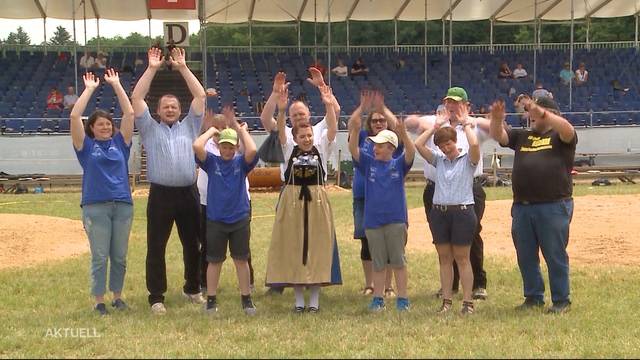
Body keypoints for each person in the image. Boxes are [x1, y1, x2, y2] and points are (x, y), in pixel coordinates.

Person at [131, 46, 207, 315]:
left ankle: (193, 287)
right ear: (158, 110)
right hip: (161, 195)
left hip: (188, 193)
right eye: (166, 106)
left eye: (174, 106)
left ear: (180, 109)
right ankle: (156, 296)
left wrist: (184, 67)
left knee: (193, 244)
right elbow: (136, 97)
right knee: (156, 247)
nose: (171, 109)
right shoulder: (149, 128)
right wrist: (152, 69)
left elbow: (200, 95)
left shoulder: (190, 125)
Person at [489, 95, 577, 314]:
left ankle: (561, 300)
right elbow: (499, 135)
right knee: (525, 255)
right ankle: (533, 296)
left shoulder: (561, 137)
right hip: (522, 206)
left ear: (550, 114)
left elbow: (567, 129)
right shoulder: (522, 136)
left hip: (553, 205)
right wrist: (497, 120)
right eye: (530, 114)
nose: (531, 117)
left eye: (535, 114)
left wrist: (541, 111)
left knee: (554, 254)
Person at [404, 87, 491, 301]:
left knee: (471, 235)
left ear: (466, 105)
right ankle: (450, 286)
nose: (451, 106)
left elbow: (496, 129)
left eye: (457, 102)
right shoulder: (435, 123)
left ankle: (478, 283)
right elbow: (408, 124)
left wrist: (467, 122)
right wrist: (431, 124)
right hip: (436, 189)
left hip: (469, 188)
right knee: (443, 238)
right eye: (448, 102)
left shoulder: (475, 125)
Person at [265, 82, 341, 313]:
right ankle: (298, 301)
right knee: (294, 248)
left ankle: (315, 301)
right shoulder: (287, 146)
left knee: (317, 249)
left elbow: (333, 128)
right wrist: (280, 109)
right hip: (292, 201)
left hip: (317, 201)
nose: (307, 139)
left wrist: (328, 105)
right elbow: (279, 130)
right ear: (295, 137)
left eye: (309, 135)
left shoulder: (322, 145)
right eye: (303, 136)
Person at [70, 70, 135, 316]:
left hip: (122, 206)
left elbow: (129, 114)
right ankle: (99, 301)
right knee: (99, 256)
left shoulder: (120, 144)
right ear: (92, 129)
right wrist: (89, 90)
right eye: (101, 125)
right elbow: (75, 115)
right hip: (95, 207)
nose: (106, 127)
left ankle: (117, 297)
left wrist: (117, 85)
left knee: (119, 256)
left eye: (109, 124)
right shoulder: (85, 147)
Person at [348, 91, 415, 312]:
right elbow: (354, 150)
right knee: (378, 262)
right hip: (373, 221)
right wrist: (356, 129)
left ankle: (402, 298)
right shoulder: (369, 164)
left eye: (379, 145)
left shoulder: (398, 164)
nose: (375, 148)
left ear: (390, 148)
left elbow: (411, 153)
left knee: (398, 261)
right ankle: (378, 297)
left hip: (395, 221)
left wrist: (404, 134)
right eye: (374, 145)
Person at [414, 109, 481, 315]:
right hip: (440, 213)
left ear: (455, 141)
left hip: (462, 212)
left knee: (462, 258)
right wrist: (435, 126)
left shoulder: (468, 159)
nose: (445, 148)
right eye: (441, 145)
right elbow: (418, 145)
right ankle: (446, 301)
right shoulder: (438, 159)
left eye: (448, 143)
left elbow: (475, 145)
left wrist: (466, 125)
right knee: (444, 258)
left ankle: (468, 302)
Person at [194, 106, 259, 315]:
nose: (228, 150)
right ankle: (211, 300)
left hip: (239, 218)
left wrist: (241, 131)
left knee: (241, 260)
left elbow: (252, 151)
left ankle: (246, 298)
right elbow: (196, 145)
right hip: (216, 219)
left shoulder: (241, 162)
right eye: (224, 146)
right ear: (218, 146)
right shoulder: (211, 162)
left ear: (236, 147)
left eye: (231, 147)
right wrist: (212, 131)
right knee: (214, 261)